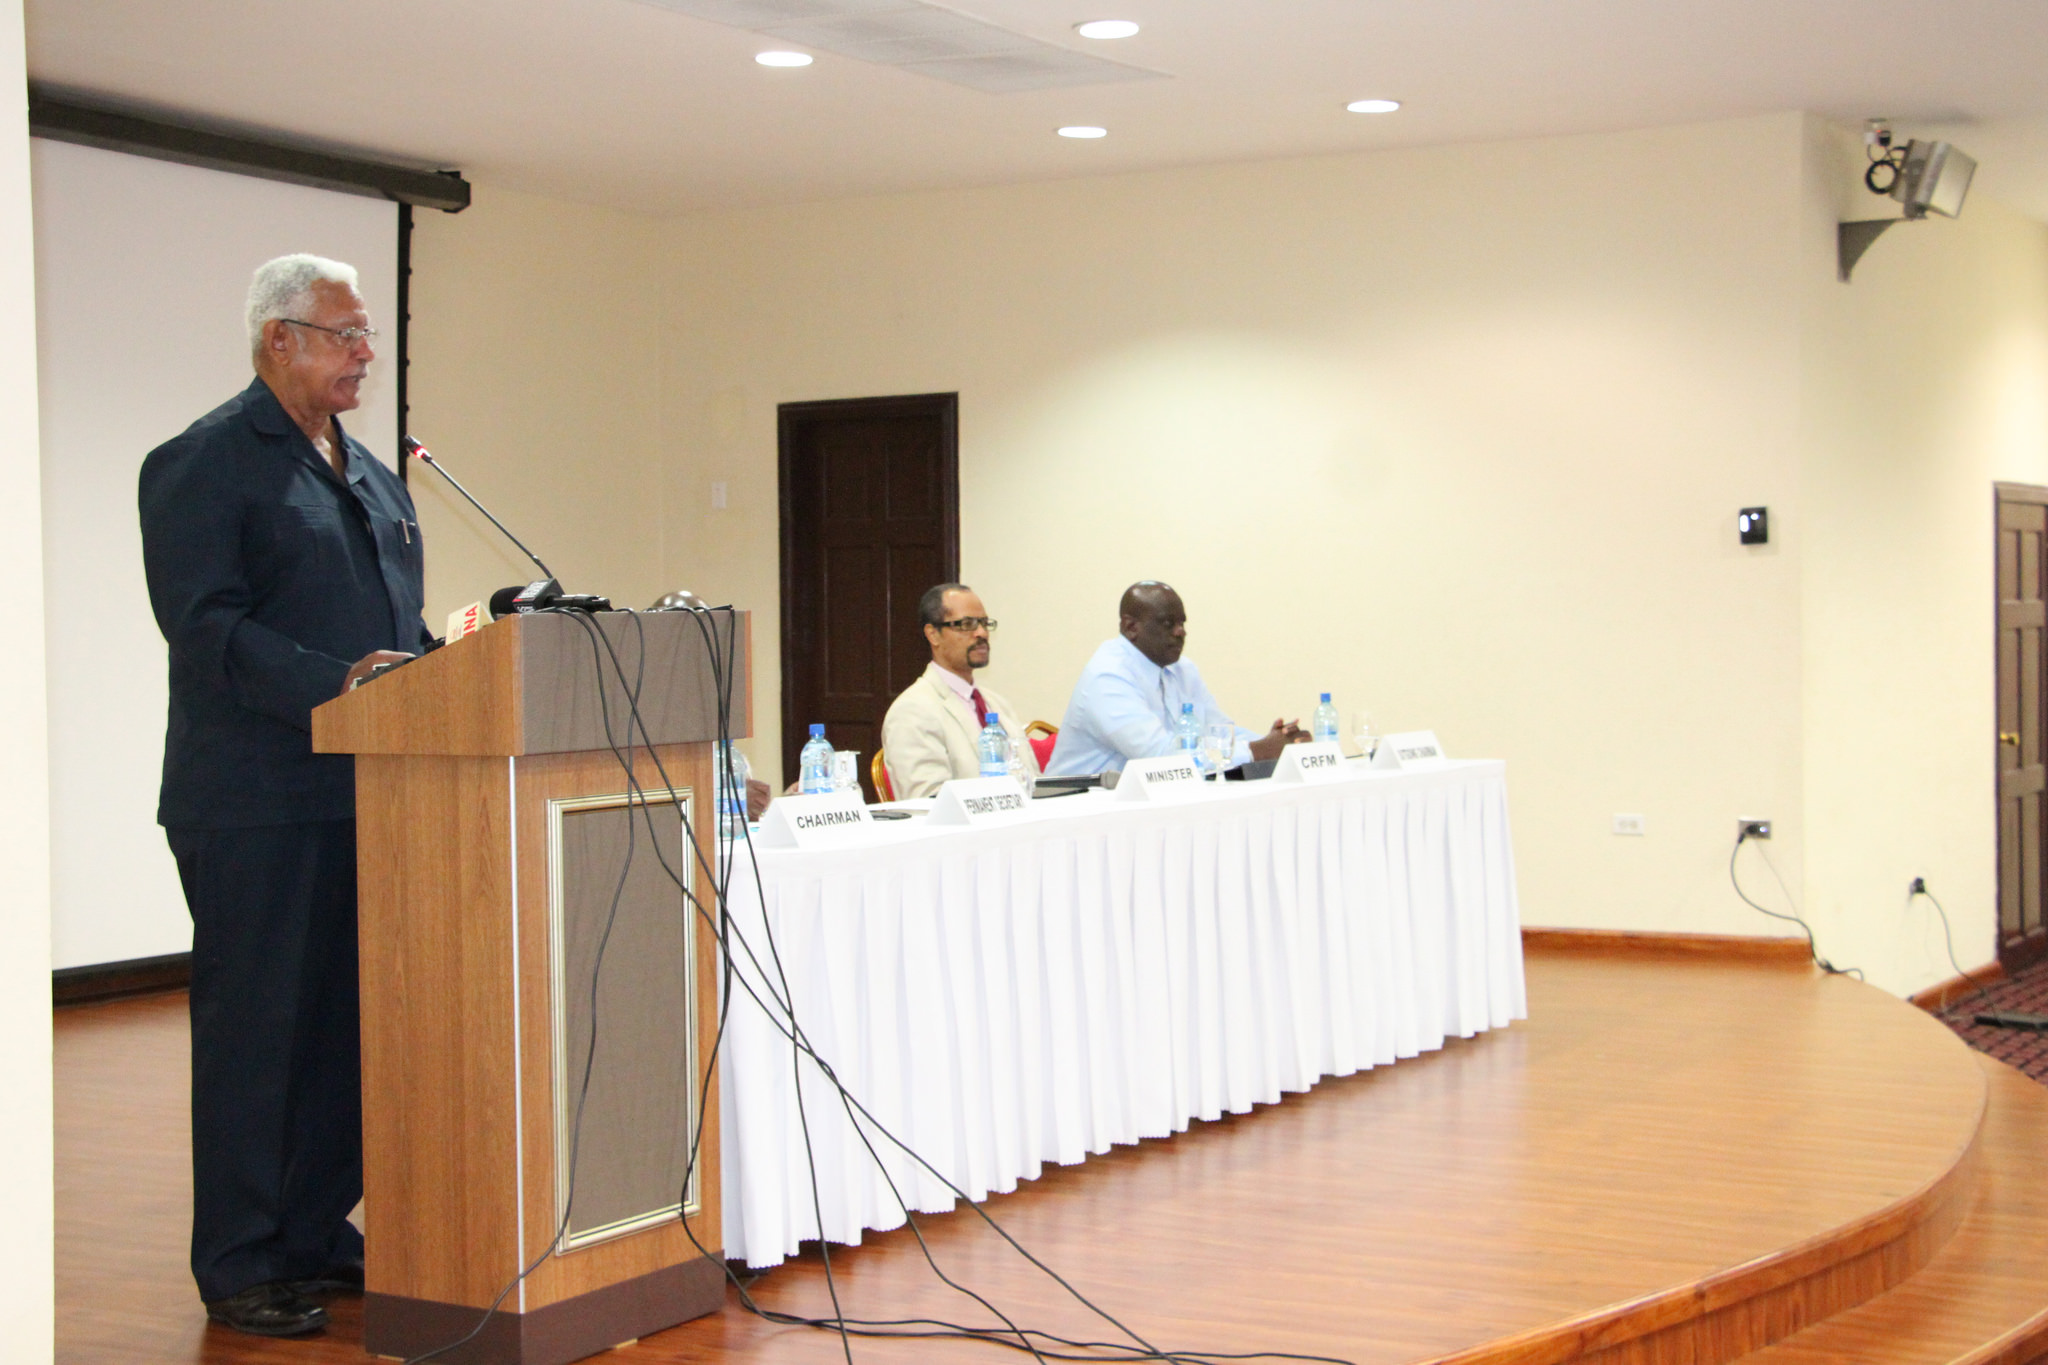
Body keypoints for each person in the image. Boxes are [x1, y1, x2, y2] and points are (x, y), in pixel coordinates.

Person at [138, 255, 433, 1339]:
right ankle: (241, 1259)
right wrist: (337, 684)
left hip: (370, 798)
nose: (365, 354)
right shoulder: (205, 463)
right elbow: (207, 629)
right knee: (259, 1033)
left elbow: (391, 628)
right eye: (346, 335)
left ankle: (312, 1226)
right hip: (254, 801)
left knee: (347, 1031)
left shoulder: (369, 473)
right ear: (280, 339)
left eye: (366, 336)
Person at [1044, 580, 1305, 777]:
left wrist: (1279, 744)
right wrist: (1258, 751)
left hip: (1143, 805)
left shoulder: (1182, 670)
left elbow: (1219, 732)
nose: (1180, 632)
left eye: (1182, 623)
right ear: (1131, 627)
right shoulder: (1107, 676)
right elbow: (1161, 759)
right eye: (1168, 624)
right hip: (1078, 813)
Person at [880, 583, 1041, 798]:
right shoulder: (912, 711)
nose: (981, 633)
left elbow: (1033, 781)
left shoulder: (997, 704)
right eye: (967, 624)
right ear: (933, 635)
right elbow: (927, 801)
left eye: (984, 623)